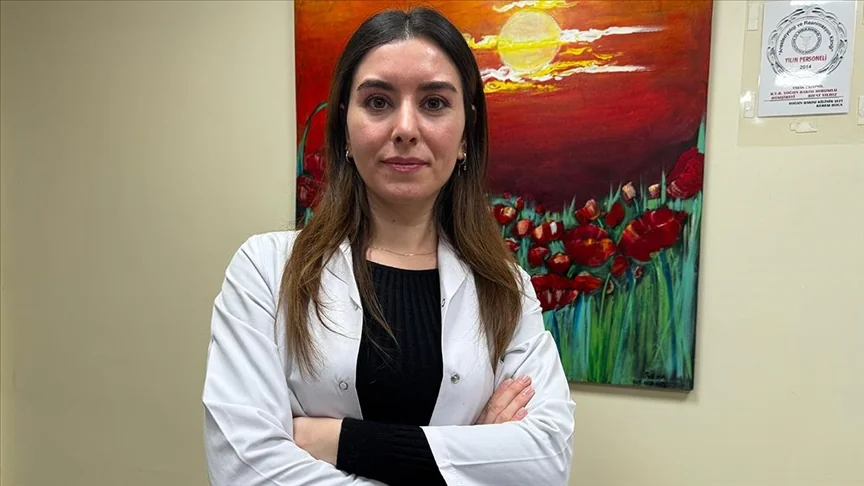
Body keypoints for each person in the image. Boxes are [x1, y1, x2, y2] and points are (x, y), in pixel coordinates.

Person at [202, 6, 576, 486]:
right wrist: (472, 453)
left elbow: (546, 461)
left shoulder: (506, 288)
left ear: (466, 134)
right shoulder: (265, 269)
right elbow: (245, 469)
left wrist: (337, 440)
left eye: (434, 103)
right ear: (345, 127)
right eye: (378, 102)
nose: (405, 128)